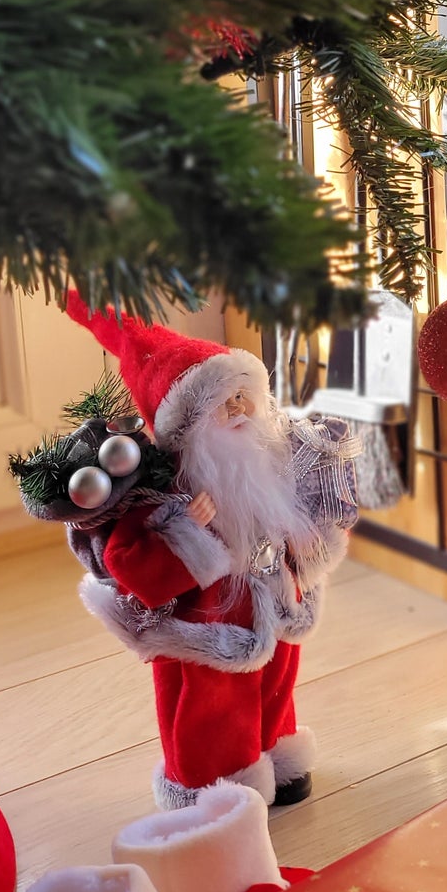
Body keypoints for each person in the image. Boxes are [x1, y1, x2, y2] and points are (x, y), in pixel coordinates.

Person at [65, 293, 359, 808]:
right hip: (208, 626)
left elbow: (294, 520)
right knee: (213, 707)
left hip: (274, 606)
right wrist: (185, 533)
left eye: (244, 396)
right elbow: (129, 566)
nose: (240, 411)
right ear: (188, 425)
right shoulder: (164, 492)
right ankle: (213, 788)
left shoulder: (270, 463)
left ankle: (276, 755)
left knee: (275, 685)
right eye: (222, 403)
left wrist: (305, 544)